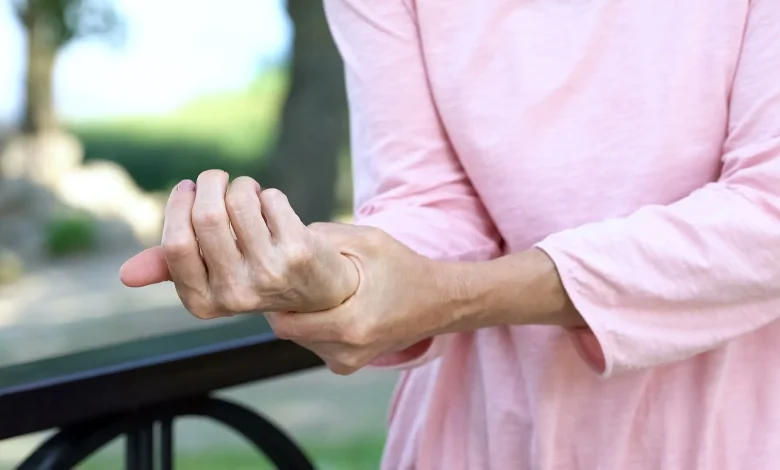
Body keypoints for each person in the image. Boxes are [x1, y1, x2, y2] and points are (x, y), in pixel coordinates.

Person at [119, 0, 780, 468]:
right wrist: (347, 276)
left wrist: (453, 294)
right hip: (480, 435)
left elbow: (768, 213)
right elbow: (430, 200)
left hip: (733, 430)